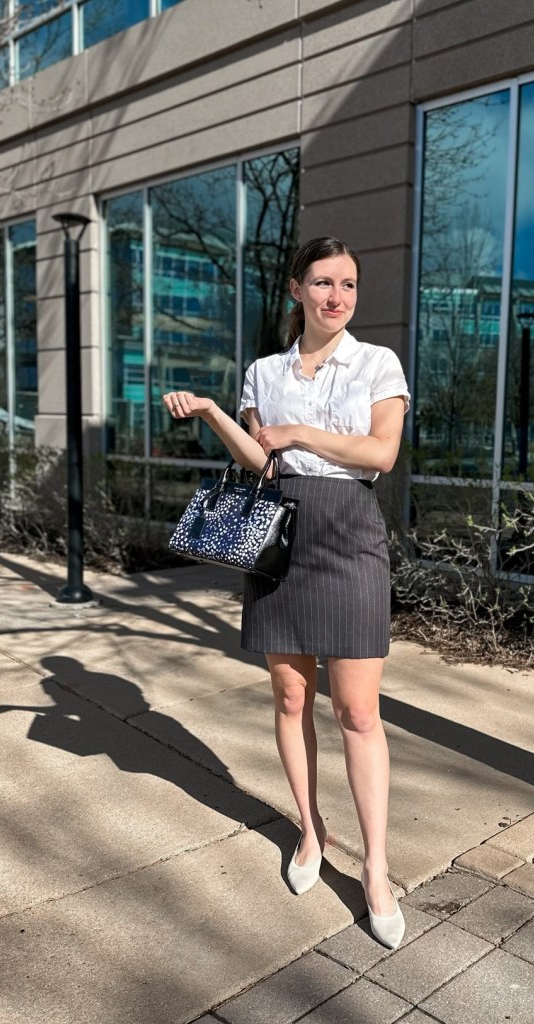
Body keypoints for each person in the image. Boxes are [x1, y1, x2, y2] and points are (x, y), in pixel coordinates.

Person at [163, 236, 409, 948]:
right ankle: (310, 829)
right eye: (324, 283)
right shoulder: (263, 372)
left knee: (358, 711)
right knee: (291, 697)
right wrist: (215, 413)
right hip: (280, 533)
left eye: (349, 284)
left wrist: (299, 432)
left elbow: (381, 453)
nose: (338, 296)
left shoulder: (377, 363)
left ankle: (377, 868)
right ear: (297, 289)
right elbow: (260, 461)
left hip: (350, 532)